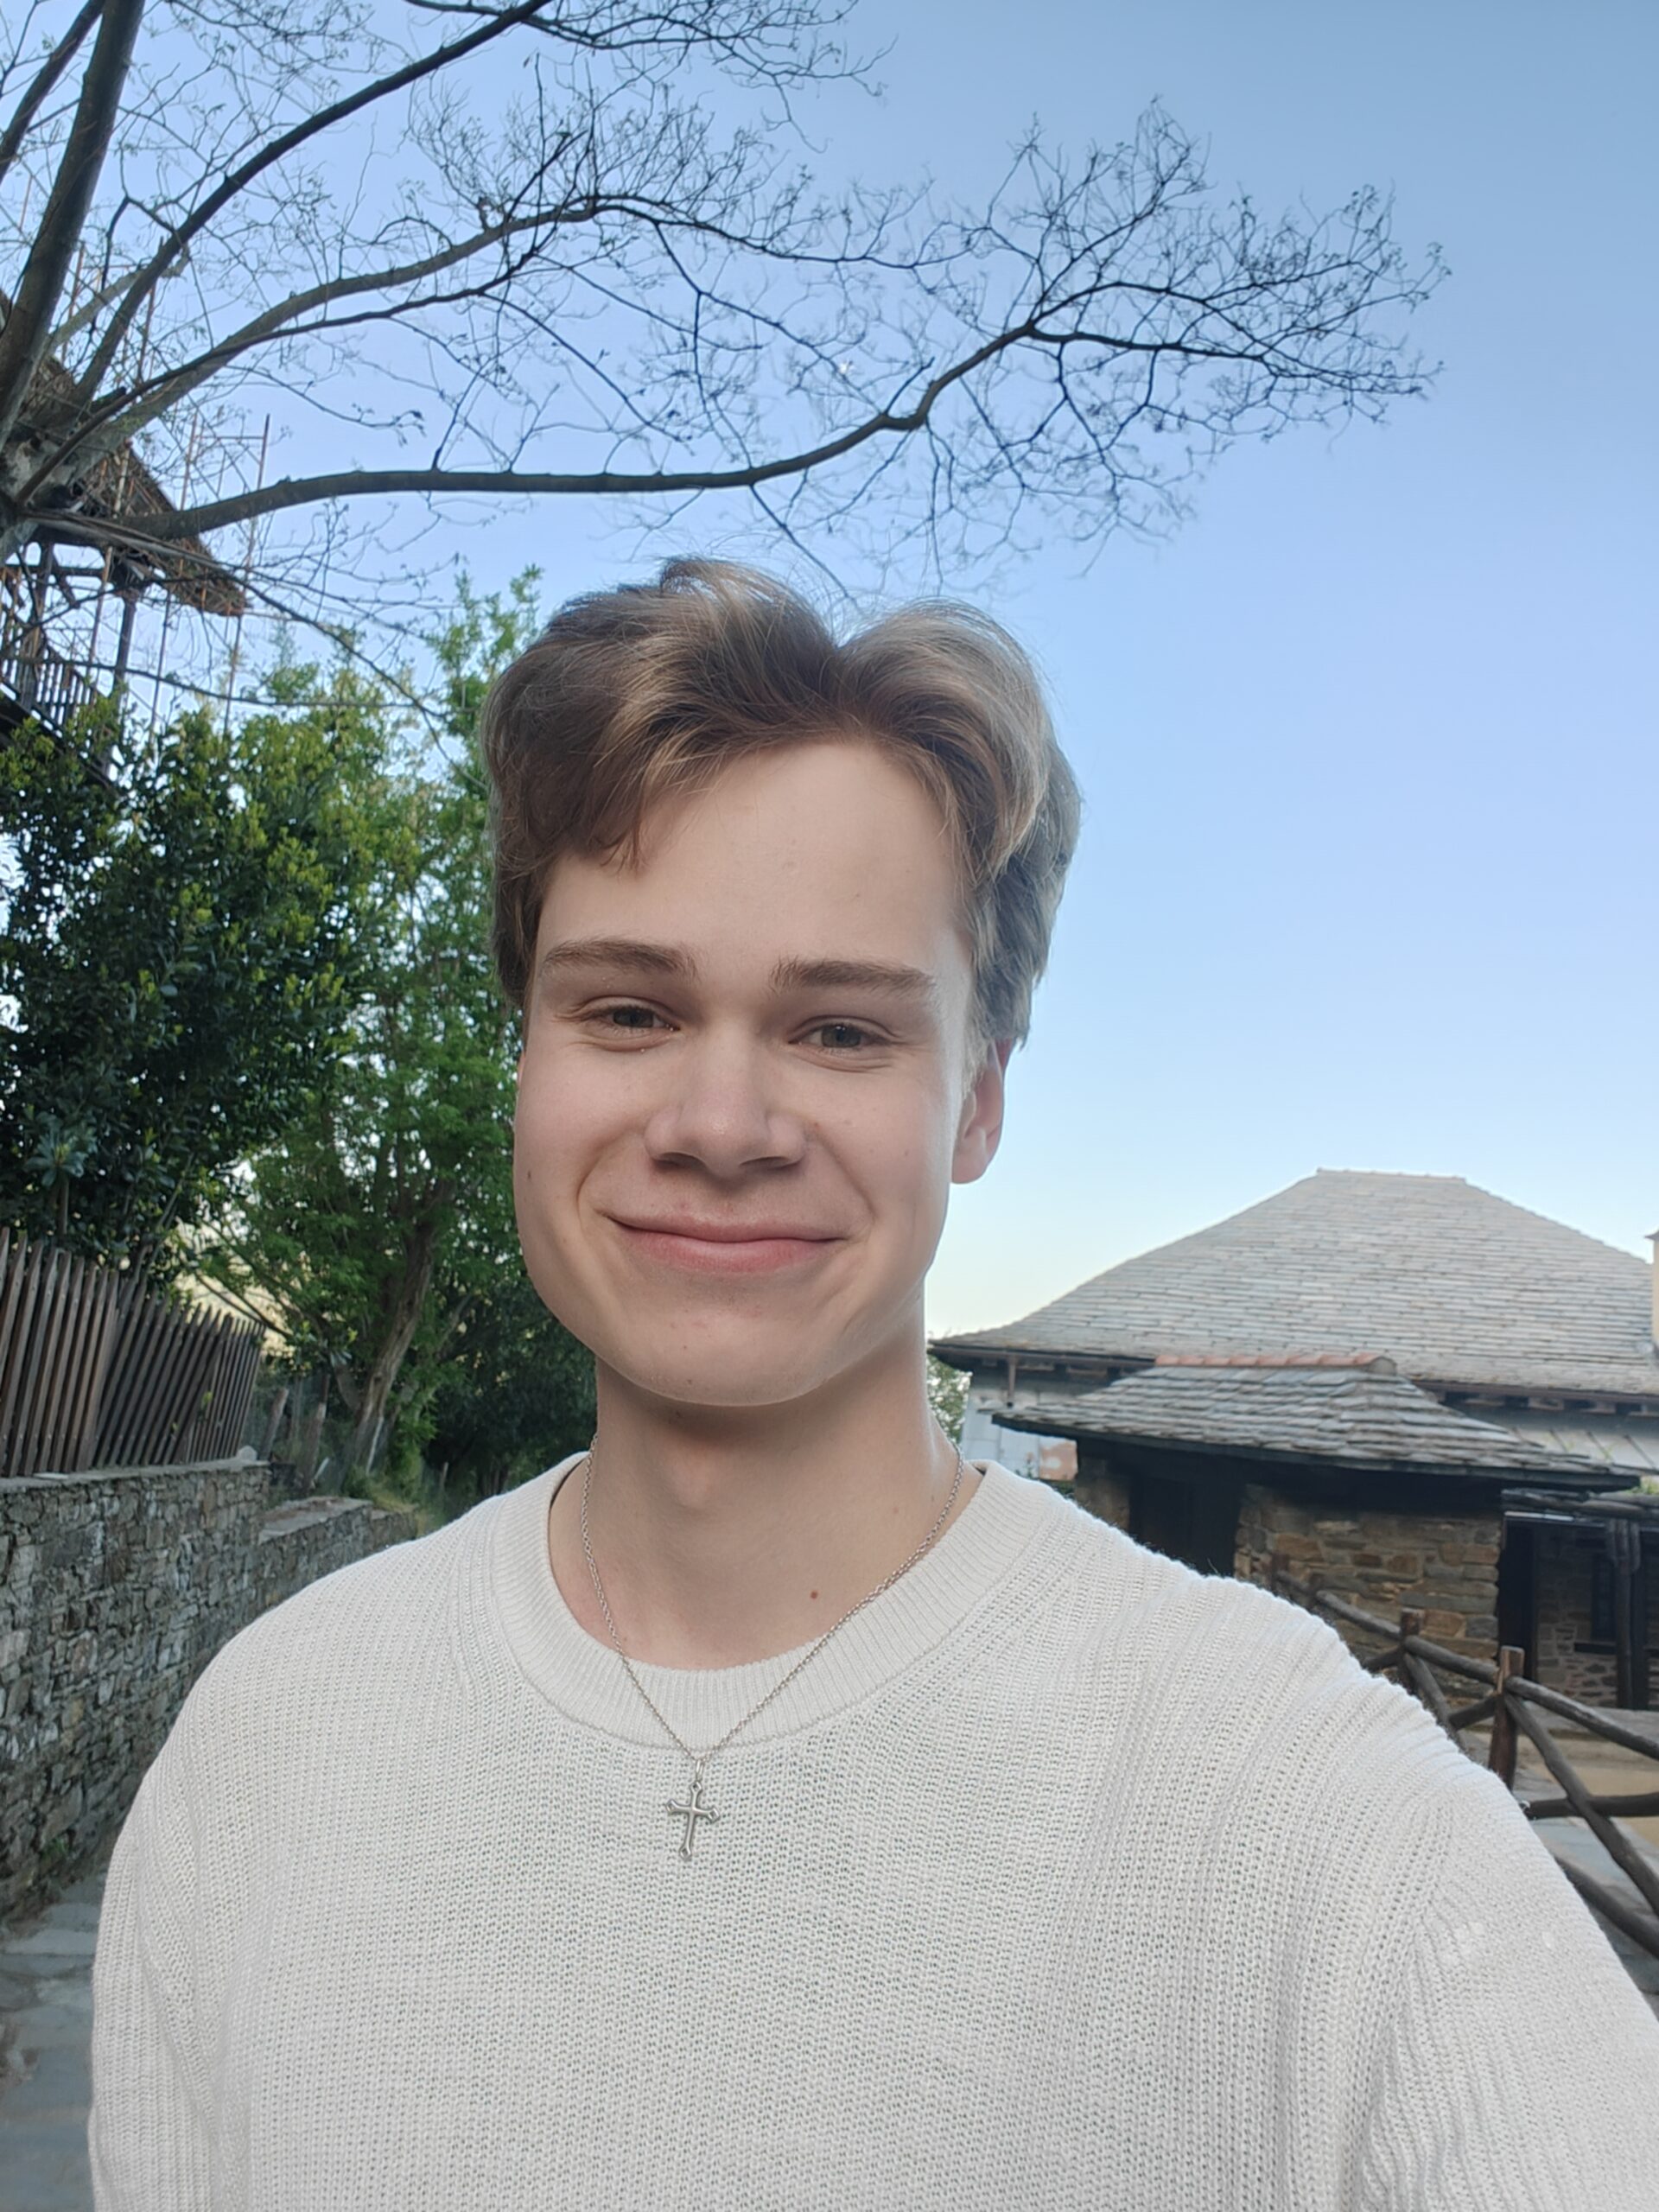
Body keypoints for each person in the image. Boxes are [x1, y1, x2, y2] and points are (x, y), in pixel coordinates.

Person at [91, 559, 1659, 2209]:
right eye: (628, 1009)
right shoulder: (269, 1747)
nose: (720, 1125)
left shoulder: (1319, 1825)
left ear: (978, 1099)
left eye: (842, 1031)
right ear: (528, 1053)